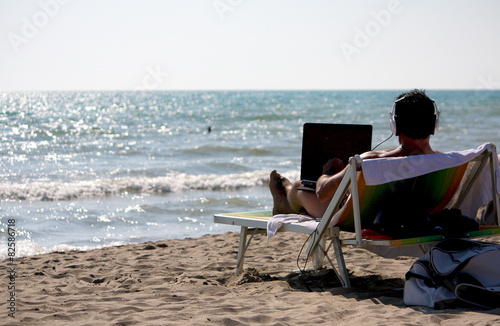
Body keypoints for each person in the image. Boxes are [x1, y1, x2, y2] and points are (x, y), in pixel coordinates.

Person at [269, 89, 441, 219]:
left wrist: (329, 172)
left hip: (360, 220)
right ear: (434, 124)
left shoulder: (369, 160)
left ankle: (284, 197)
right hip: (418, 219)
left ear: (395, 125)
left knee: (300, 187)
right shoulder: (445, 161)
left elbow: (322, 192)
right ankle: (285, 189)